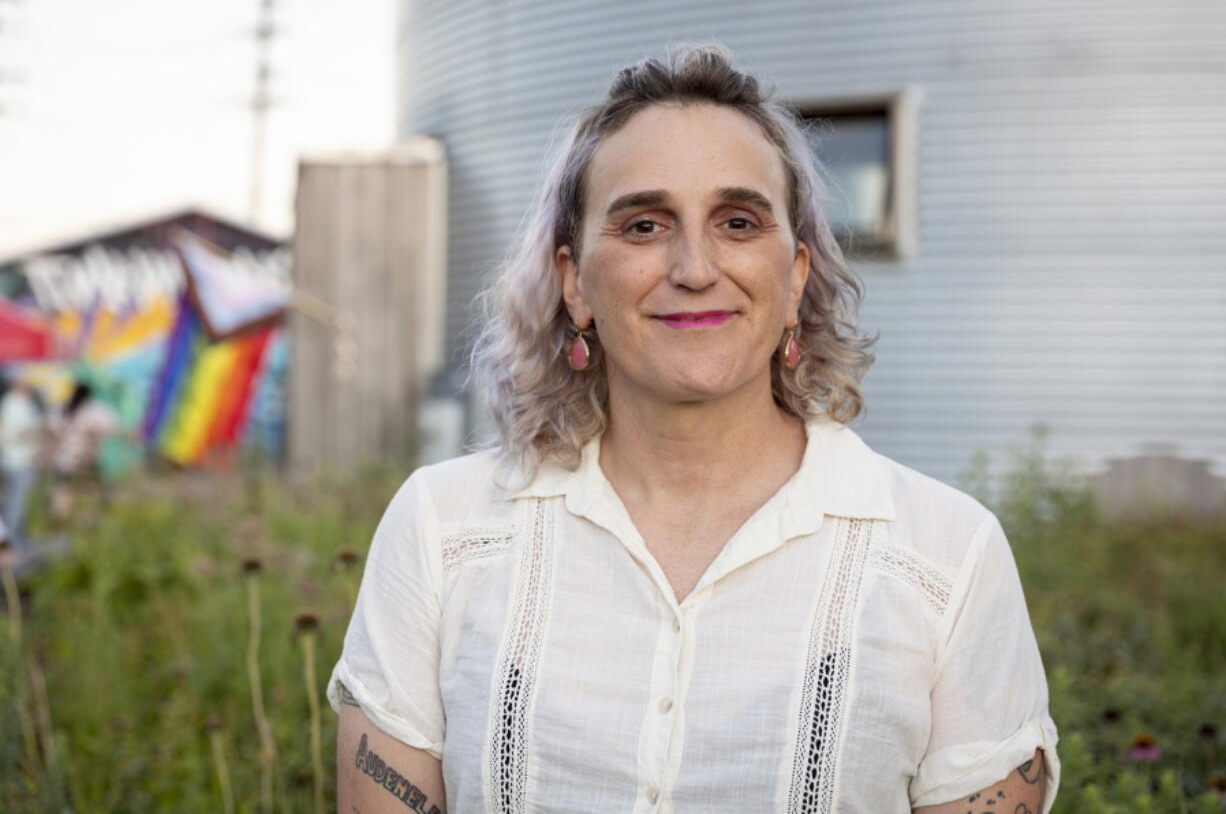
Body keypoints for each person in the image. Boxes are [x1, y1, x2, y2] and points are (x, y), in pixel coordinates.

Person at [327, 44, 1060, 814]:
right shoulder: (443, 529)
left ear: (796, 276)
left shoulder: (947, 557)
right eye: (644, 225)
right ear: (575, 282)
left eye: (738, 221)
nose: (696, 267)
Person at [50, 380, 121, 519]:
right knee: (88, 494)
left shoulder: (64, 408)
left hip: (64, 459)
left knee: (63, 493)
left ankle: (60, 522)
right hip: (85, 459)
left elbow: (52, 427)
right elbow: (111, 426)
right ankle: (83, 521)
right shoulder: (93, 410)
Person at [0, 375, 45, 563]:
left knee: (19, 503)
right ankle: (12, 545)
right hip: (17, 460)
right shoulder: (14, 404)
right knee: (17, 503)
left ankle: (17, 543)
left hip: (19, 459)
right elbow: (12, 433)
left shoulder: (15, 404)